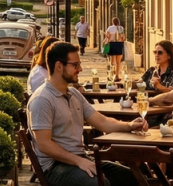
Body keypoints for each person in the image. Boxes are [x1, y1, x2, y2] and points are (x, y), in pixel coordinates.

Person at [28, 41, 145, 186]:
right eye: (75, 65)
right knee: (99, 183)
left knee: (133, 177)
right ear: (59, 66)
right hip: (55, 167)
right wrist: (79, 161)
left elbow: (102, 122)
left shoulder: (74, 94)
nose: (80, 69)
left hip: (81, 158)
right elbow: (44, 144)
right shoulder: (42, 99)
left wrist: (129, 126)